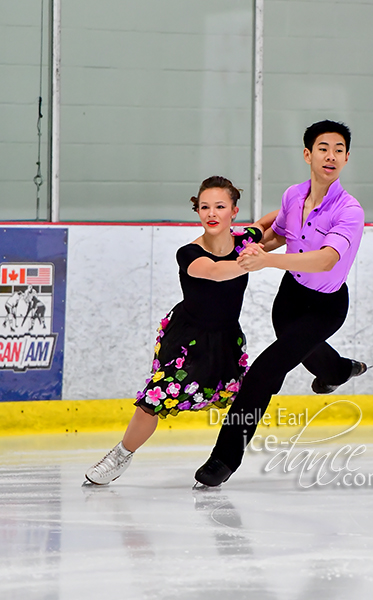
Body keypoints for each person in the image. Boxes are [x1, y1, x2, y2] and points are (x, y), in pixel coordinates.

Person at [194, 120, 367, 487]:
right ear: (308, 154)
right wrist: (243, 253)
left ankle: (223, 459)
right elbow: (277, 235)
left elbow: (325, 259)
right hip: (290, 299)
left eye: (338, 149)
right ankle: (338, 370)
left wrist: (266, 261)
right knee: (304, 354)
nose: (330, 155)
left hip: (326, 305)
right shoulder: (293, 196)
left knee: (265, 370)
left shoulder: (349, 210)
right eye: (323, 148)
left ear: (347, 158)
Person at [84, 175, 278, 485]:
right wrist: (262, 260)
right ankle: (121, 454)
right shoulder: (189, 253)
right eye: (204, 207)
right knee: (154, 398)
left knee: (248, 393)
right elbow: (215, 272)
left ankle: (223, 459)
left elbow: (269, 223)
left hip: (226, 339)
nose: (211, 213)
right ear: (198, 211)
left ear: (233, 211)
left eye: (219, 207)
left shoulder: (245, 241)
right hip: (187, 340)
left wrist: (300, 209)